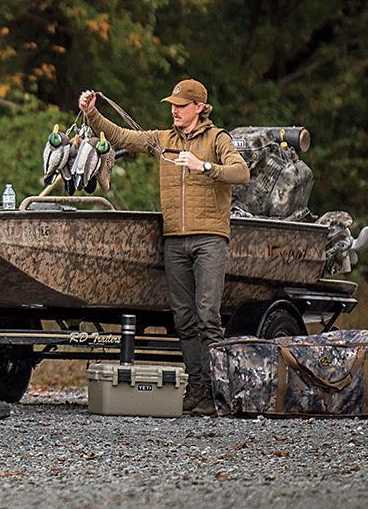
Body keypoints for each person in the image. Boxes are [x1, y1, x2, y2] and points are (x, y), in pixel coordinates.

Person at [78, 80, 249, 415]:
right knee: (184, 318)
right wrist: (91, 114)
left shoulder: (218, 139)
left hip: (210, 238)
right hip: (174, 239)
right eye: (172, 104)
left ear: (199, 107)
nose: (174, 110)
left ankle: (218, 393)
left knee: (208, 316)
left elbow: (241, 172)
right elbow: (122, 137)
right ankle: (197, 386)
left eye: (181, 105)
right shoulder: (163, 140)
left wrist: (206, 167)